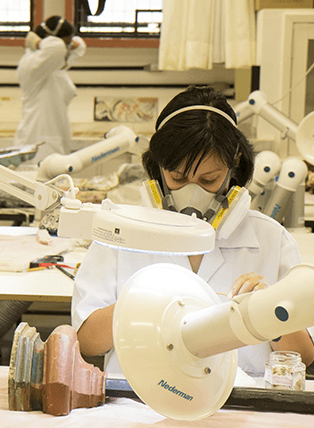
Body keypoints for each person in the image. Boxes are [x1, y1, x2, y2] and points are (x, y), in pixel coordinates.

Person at [72, 85, 314, 377]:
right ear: (158, 168)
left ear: (233, 167)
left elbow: (304, 355)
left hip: (239, 406)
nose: (192, 194)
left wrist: (265, 310)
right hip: (138, 404)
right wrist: (140, 303)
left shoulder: (270, 239)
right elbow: (86, 342)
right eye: (177, 178)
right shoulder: (121, 231)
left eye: (209, 180)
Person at [13, 16, 86, 163]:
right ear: (50, 38)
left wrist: (39, 42)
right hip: (37, 141)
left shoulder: (53, 68)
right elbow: (57, 48)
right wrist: (38, 42)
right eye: (67, 42)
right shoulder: (32, 65)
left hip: (53, 141)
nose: (68, 47)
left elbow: (80, 46)